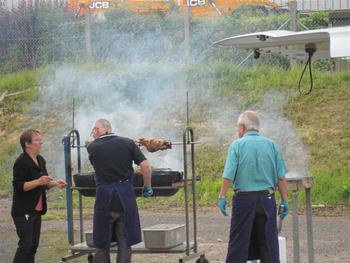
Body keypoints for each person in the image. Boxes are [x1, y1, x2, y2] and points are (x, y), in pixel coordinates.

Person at [218, 111, 289, 263]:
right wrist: (284, 200)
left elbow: (228, 176)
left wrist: (222, 196)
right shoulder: (272, 145)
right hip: (267, 200)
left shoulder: (237, 145)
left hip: (244, 201)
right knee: (267, 246)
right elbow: (281, 177)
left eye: (238, 127)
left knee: (238, 247)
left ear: (242, 128)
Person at [87, 118, 153, 263]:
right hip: (125, 195)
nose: (93, 135)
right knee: (125, 240)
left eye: (93, 132)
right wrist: (147, 186)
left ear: (98, 130)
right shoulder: (128, 143)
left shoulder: (92, 147)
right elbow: (146, 166)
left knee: (102, 241)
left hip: (104, 197)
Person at [11, 129, 67, 263]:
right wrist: (38, 181)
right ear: (27, 144)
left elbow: (44, 183)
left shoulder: (40, 160)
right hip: (23, 210)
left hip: (37, 210)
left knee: (33, 246)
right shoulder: (21, 161)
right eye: (37, 140)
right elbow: (19, 186)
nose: (41, 142)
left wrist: (55, 183)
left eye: (41, 139)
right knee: (25, 245)